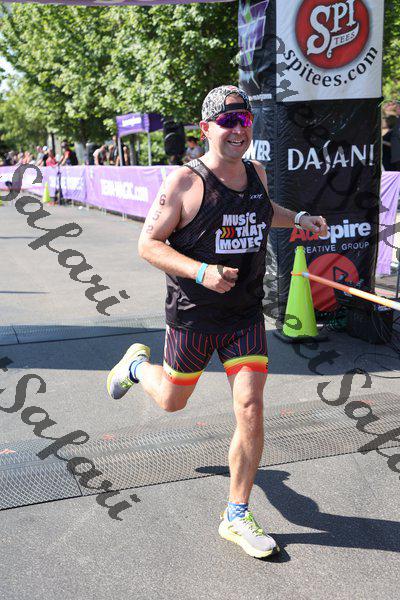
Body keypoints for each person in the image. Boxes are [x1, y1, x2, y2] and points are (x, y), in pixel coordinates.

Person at [106, 85, 328, 559]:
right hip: (194, 315)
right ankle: (136, 367)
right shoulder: (185, 182)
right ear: (206, 128)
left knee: (250, 407)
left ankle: (236, 513)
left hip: (243, 315)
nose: (238, 130)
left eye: (244, 120)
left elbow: (265, 213)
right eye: (228, 122)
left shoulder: (256, 172)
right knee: (172, 400)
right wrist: (200, 270)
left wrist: (300, 219)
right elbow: (148, 244)